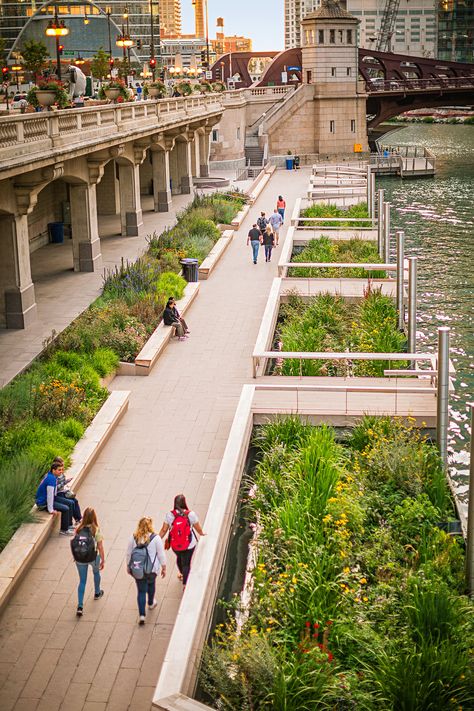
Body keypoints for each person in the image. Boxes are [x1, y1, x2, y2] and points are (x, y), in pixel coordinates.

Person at [159, 494, 206, 589]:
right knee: (186, 563)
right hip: (189, 544)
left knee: (179, 558)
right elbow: (197, 527)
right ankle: (185, 584)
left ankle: (181, 573)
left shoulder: (170, 515)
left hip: (175, 544)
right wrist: (201, 533)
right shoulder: (190, 514)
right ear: (184, 502)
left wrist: (157, 538)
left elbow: (164, 530)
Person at [126, 517, 166, 625]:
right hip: (151, 570)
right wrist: (164, 567)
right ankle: (151, 602)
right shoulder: (156, 538)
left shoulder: (133, 538)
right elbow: (161, 554)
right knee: (151, 585)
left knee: (141, 591)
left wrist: (128, 567)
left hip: (138, 570)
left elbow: (129, 553)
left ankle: (142, 615)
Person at [72, 508, 105, 616]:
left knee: (82, 581)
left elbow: (74, 543)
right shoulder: (96, 530)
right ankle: (97, 592)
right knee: (96, 573)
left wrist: (75, 556)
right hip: (93, 557)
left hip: (80, 558)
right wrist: (103, 559)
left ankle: (80, 606)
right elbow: (100, 546)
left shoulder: (78, 528)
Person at [35, 460, 73, 535]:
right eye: (59, 470)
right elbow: (49, 495)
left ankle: (69, 525)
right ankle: (64, 530)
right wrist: (51, 510)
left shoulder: (51, 475)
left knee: (70, 503)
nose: (61, 472)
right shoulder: (51, 479)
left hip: (51, 497)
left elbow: (52, 494)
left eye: (62, 469)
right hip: (43, 502)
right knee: (65, 508)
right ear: (53, 470)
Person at [53, 456, 82, 525]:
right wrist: (65, 482)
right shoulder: (55, 474)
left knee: (75, 500)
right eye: (61, 465)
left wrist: (66, 485)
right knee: (70, 502)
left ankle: (78, 518)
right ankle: (69, 524)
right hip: (57, 493)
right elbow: (55, 488)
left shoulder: (61, 472)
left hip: (62, 491)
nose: (62, 468)